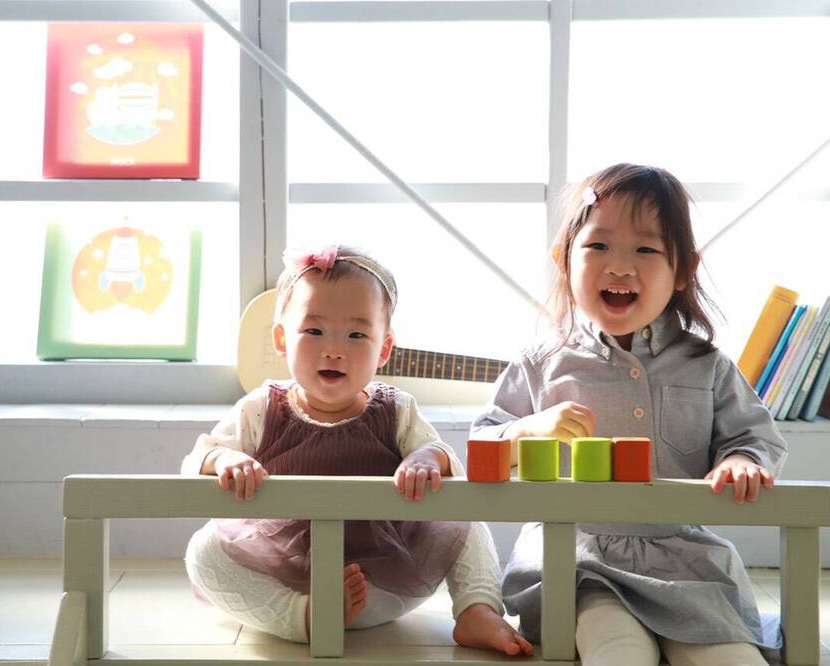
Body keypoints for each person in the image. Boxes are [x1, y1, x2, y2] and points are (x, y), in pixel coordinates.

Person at [473, 163, 788, 666]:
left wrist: (742, 460)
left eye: (646, 250)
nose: (620, 267)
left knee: (731, 657)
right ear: (563, 260)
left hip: (685, 561)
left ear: (684, 269)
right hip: (578, 561)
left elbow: (754, 435)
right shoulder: (540, 363)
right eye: (598, 245)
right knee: (617, 649)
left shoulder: (706, 364)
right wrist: (530, 427)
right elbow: (482, 446)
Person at [183, 245, 532, 656]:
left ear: (384, 348)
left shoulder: (396, 409)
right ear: (281, 339)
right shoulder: (260, 408)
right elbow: (198, 458)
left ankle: (476, 610)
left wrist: (426, 458)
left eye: (356, 335)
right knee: (203, 552)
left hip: (382, 584)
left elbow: (444, 459)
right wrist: (224, 459)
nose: (334, 350)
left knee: (467, 521)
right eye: (314, 331)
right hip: (287, 580)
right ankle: (302, 618)